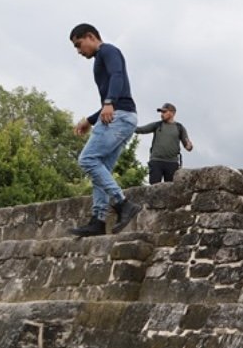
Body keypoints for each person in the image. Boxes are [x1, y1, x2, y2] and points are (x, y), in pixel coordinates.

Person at [67, 23, 141, 237]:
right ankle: (98, 221)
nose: (79, 51)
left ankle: (123, 204)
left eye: (79, 45)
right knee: (101, 171)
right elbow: (115, 95)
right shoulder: (100, 59)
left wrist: (109, 102)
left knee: (87, 160)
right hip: (122, 116)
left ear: (90, 37)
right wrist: (90, 120)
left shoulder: (108, 51)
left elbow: (117, 75)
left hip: (119, 116)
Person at [135, 102, 194, 183]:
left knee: (171, 190)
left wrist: (189, 146)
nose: (162, 114)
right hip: (156, 161)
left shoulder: (179, 127)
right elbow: (140, 130)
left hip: (172, 163)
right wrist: (127, 125)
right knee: (154, 188)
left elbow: (187, 146)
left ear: (172, 113)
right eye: (161, 112)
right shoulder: (157, 125)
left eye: (164, 112)